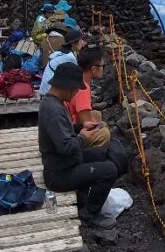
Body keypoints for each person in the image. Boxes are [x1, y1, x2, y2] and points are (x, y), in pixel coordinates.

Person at [38, 62, 120, 228]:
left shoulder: (53, 103)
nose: (76, 92)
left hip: (62, 163)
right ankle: (89, 214)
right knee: (110, 170)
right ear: (66, 86)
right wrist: (82, 136)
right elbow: (66, 146)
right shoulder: (53, 110)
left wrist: (80, 127)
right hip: (59, 175)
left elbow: (62, 132)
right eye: (75, 89)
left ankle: (83, 195)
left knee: (98, 153)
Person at [67, 47, 110, 148]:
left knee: (96, 114)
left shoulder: (76, 77)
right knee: (104, 134)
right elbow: (86, 123)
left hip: (67, 124)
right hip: (69, 134)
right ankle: (91, 155)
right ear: (94, 69)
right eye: (103, 66)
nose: (103, 68)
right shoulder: (83, 88)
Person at [39, 29, 86, 96]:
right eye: (81, 40)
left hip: (45, 89)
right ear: (73, 43)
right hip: (50, 92)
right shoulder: (69, 57)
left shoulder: (61, 52)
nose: (83, 43)